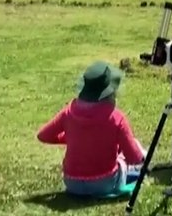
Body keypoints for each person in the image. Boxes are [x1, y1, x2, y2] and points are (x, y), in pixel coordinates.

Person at [37, 61, 146, 197]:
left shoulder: (69, 112)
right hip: (105, 183)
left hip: (72, 183)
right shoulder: (116, 118)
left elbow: (43, 135)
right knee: (138, 150)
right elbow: (134, 158)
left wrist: (73, 138)